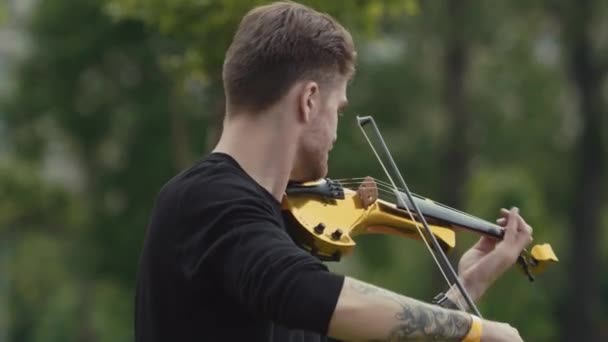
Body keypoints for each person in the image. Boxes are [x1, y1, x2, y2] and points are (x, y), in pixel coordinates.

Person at [135, 1, 533, 341]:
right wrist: (475, 331)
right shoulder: (206, 200)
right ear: (309, 100)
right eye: (338, 109)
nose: (336, 132)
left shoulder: (271, 233)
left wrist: (468, 288)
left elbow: (357, 322)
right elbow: (306, 291)